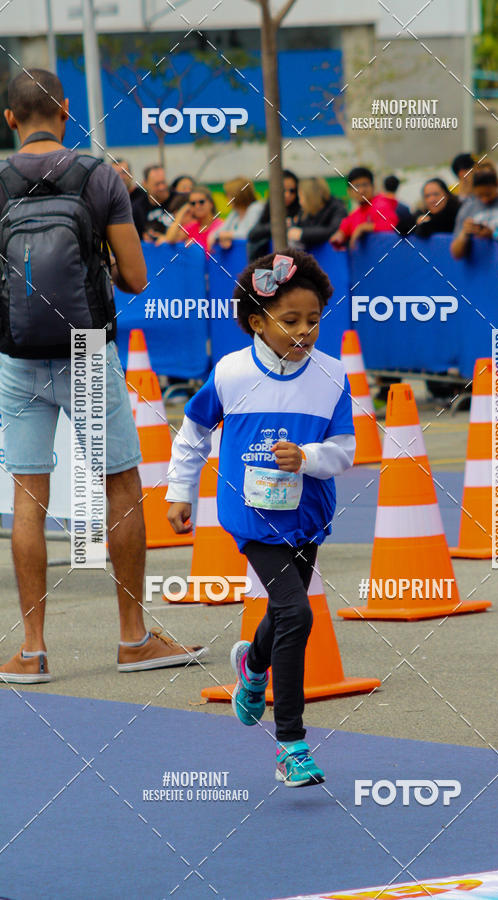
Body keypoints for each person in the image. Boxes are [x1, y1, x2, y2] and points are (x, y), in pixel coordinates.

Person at [0, 68, 207, 683]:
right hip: (88, 350)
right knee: (120, 485)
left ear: (10, 119)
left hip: (17, 354)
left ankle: (32, 650)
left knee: (29, 497)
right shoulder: (97, 176)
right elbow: (136, 279)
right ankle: (132, 638)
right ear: (66, 110)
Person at [166, 249, 355, 787]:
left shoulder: (331, 375)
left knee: (283, 609)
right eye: (290, 321)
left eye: (314, 320)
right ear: (257, 322)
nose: (304, 332)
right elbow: (194, 430)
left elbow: (346, 448)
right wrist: (181, 491)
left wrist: (310, 458)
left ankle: (252, 667)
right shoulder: (230, 372)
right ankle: (291, 744)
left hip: (307, 514)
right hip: (250, 516)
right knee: (298, 614)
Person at [330, 166, 398, 249]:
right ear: (349, 191)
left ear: (374, 186)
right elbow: (344, 227)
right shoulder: (355, 214)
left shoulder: (382, 205)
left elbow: (392, 226)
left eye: (365, 185)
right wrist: (340, 235)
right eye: (356, 186)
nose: (361, 190)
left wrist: (364, 227)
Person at [247, 170, 300, 260]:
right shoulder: (269, 208)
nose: (287, 195)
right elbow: (252, 234)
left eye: (292, 191)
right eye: (283, 190)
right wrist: (278, 226)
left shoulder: (302, 210)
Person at [157, 184, 223, 251]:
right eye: (193, 203)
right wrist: (181, 212)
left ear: (211, 203)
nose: (197, 206)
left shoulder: (219, 225)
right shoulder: (193, 226)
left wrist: (195, 247)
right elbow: (170, 239)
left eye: (201, 202)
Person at [287, 177, 346, 249]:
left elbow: (334, 231)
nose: (300, 202)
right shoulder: (306, 211)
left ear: (311, 197)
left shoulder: (337, 208)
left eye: (301, 197)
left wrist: (303, 233)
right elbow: (296, 228)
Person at [207, 176, 264, 251]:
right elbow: (218, 232)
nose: (226, 199)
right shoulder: (235, 212)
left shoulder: (256, 208)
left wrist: (227, 235)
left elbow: (248, 234)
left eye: (228, 195)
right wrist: (219, 236)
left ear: (238, 195)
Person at [131, 164, 172, 241]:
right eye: (157, 184)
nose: (162, 187)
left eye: (163, 182)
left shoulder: (179, 200)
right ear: (145, 184)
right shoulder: (136, 209)